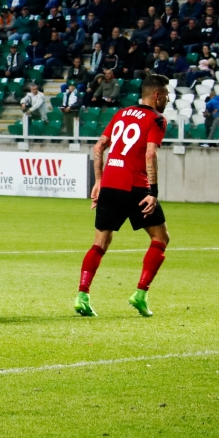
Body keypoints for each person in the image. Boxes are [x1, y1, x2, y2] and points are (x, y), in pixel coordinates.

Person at [74, 73, 171, 319]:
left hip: (109, 185)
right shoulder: (157, 119)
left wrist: (98, 182)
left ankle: (82, 296)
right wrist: (153, 192)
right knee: (160, 238)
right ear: (157, 95)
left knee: (99, 244)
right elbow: (150, 154)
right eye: (167, 94)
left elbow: (99, 146)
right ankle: (140, 294)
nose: (168, 99)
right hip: (135, 187)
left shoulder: (122, 113)